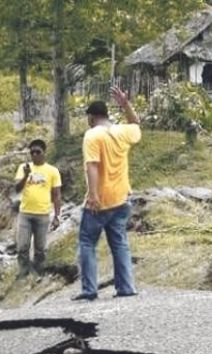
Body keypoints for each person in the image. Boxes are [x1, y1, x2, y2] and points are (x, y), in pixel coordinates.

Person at [73, 87, 141, 301]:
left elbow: (92, 165)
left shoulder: (92, 135)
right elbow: (136, 125)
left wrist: (92, 195)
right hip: (122, 198)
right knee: (119, 242)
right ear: (107, 115)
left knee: (86, 242)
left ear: (91, 117)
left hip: (100, 201)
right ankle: (126, 287)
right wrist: (126, 105)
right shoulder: (122, 131)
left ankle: (89, 289)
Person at [13, 139, 61, 277]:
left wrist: (57, 216)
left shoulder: (52, 171)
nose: (34, 155)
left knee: (40, 248)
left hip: (43, 214)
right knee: (22, 246)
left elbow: (57, 195)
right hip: (25, 213)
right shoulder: (23, 167)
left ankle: (38, 273)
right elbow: (17, 189)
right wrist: (26, 175)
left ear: (44, 152)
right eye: (32, 152)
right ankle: (24, 272)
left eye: (37, 152)